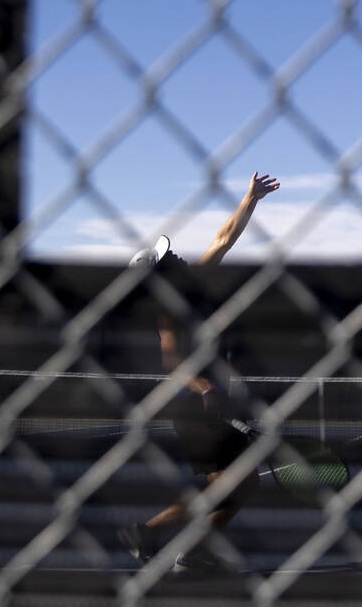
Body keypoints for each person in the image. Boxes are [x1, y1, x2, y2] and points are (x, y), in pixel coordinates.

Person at [119, 171, 280, 573]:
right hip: (193, 409)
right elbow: (171, 363)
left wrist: (250, 200)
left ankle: (155, 535)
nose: (173, 255)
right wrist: (206, 387)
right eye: (165, 258)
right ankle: (174, 544)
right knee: (232, 487)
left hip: (208, 407)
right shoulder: (168, 310)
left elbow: (223, 239)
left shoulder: (192, 284)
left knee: (234, 487)